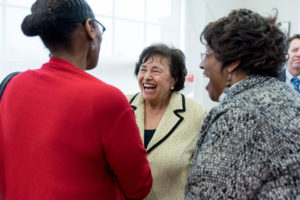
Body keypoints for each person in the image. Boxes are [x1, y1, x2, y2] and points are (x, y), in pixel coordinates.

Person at [0, 0, 152, 199]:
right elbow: (139, 187)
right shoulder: (106, 99)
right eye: (100, 28)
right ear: (90, 27)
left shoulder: (12, 86)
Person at [185, 9, 300, 199]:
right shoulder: (290, 96)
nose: (202, 65)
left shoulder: (238, 115)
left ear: (233, 62)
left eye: (207, 54)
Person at [127, 43, 206, 200]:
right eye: (143, 69)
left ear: (174, 80)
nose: (147, 76)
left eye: (155, 71)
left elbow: (203, 175)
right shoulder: (122, 106)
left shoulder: (196, 114)